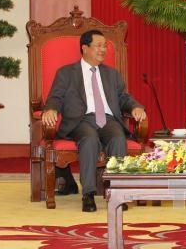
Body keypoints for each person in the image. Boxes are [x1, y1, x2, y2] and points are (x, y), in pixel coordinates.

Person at [41, 29, 146, 212]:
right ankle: (88, 194)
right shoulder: (67, 73)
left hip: (108, 119)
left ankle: (117, 192)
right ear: (85, 48)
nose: (103, 50)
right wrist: (50, 109)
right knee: (89, 140)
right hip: (81, 120)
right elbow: (55, 97)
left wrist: (136, 107)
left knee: (118, 138)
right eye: (98, 45)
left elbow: (123, 97)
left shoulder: (111, 74)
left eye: (105, 46)